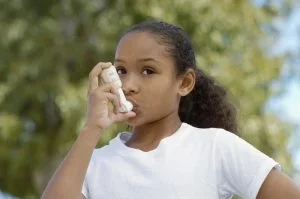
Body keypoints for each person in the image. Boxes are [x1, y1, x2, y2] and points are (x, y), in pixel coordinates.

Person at [42, 20, 300, 199]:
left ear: (185, 83)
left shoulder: (215, 148)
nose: (129, 85)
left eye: (148, 71)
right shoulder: (94, 163)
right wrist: (91, 128)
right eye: (121, 70)